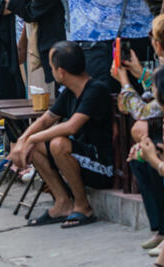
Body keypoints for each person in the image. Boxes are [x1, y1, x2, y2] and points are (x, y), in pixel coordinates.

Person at [11, 41, 114, 229]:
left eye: (51, 67)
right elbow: (45, 120)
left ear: (61, 72)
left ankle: (83, 206)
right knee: (35, 147)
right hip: (79, 159)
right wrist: (23, 140)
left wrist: (33, 138)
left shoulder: (95, 90)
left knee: (58, 144)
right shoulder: (69, 92)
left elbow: (71, 127)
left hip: (102, 166)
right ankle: (63, 203)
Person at [118, 14, 164, 251]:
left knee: (146, 156)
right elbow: (159, 92)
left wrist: (124, 83)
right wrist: (139, 72)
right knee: (140, 155)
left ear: (158, 45)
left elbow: (145, 110)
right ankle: (162, 230)